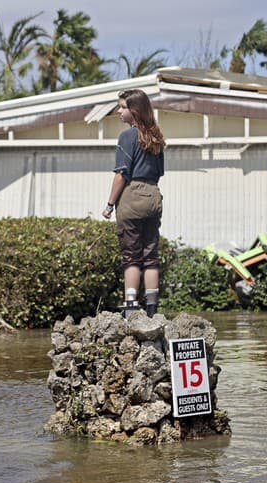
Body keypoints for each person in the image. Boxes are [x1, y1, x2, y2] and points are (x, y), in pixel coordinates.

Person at [101, 88, 166, 318]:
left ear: (134, 111)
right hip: (153, 195)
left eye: (122, 107)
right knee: (150, 255)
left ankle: (130, 306)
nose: (119, 111)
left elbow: (121, 174)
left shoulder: (127, 136)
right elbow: (159, 173)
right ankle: (151, 307)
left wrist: (109, 205)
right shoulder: (156, 136)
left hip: (132, 196)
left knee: (131, 256)